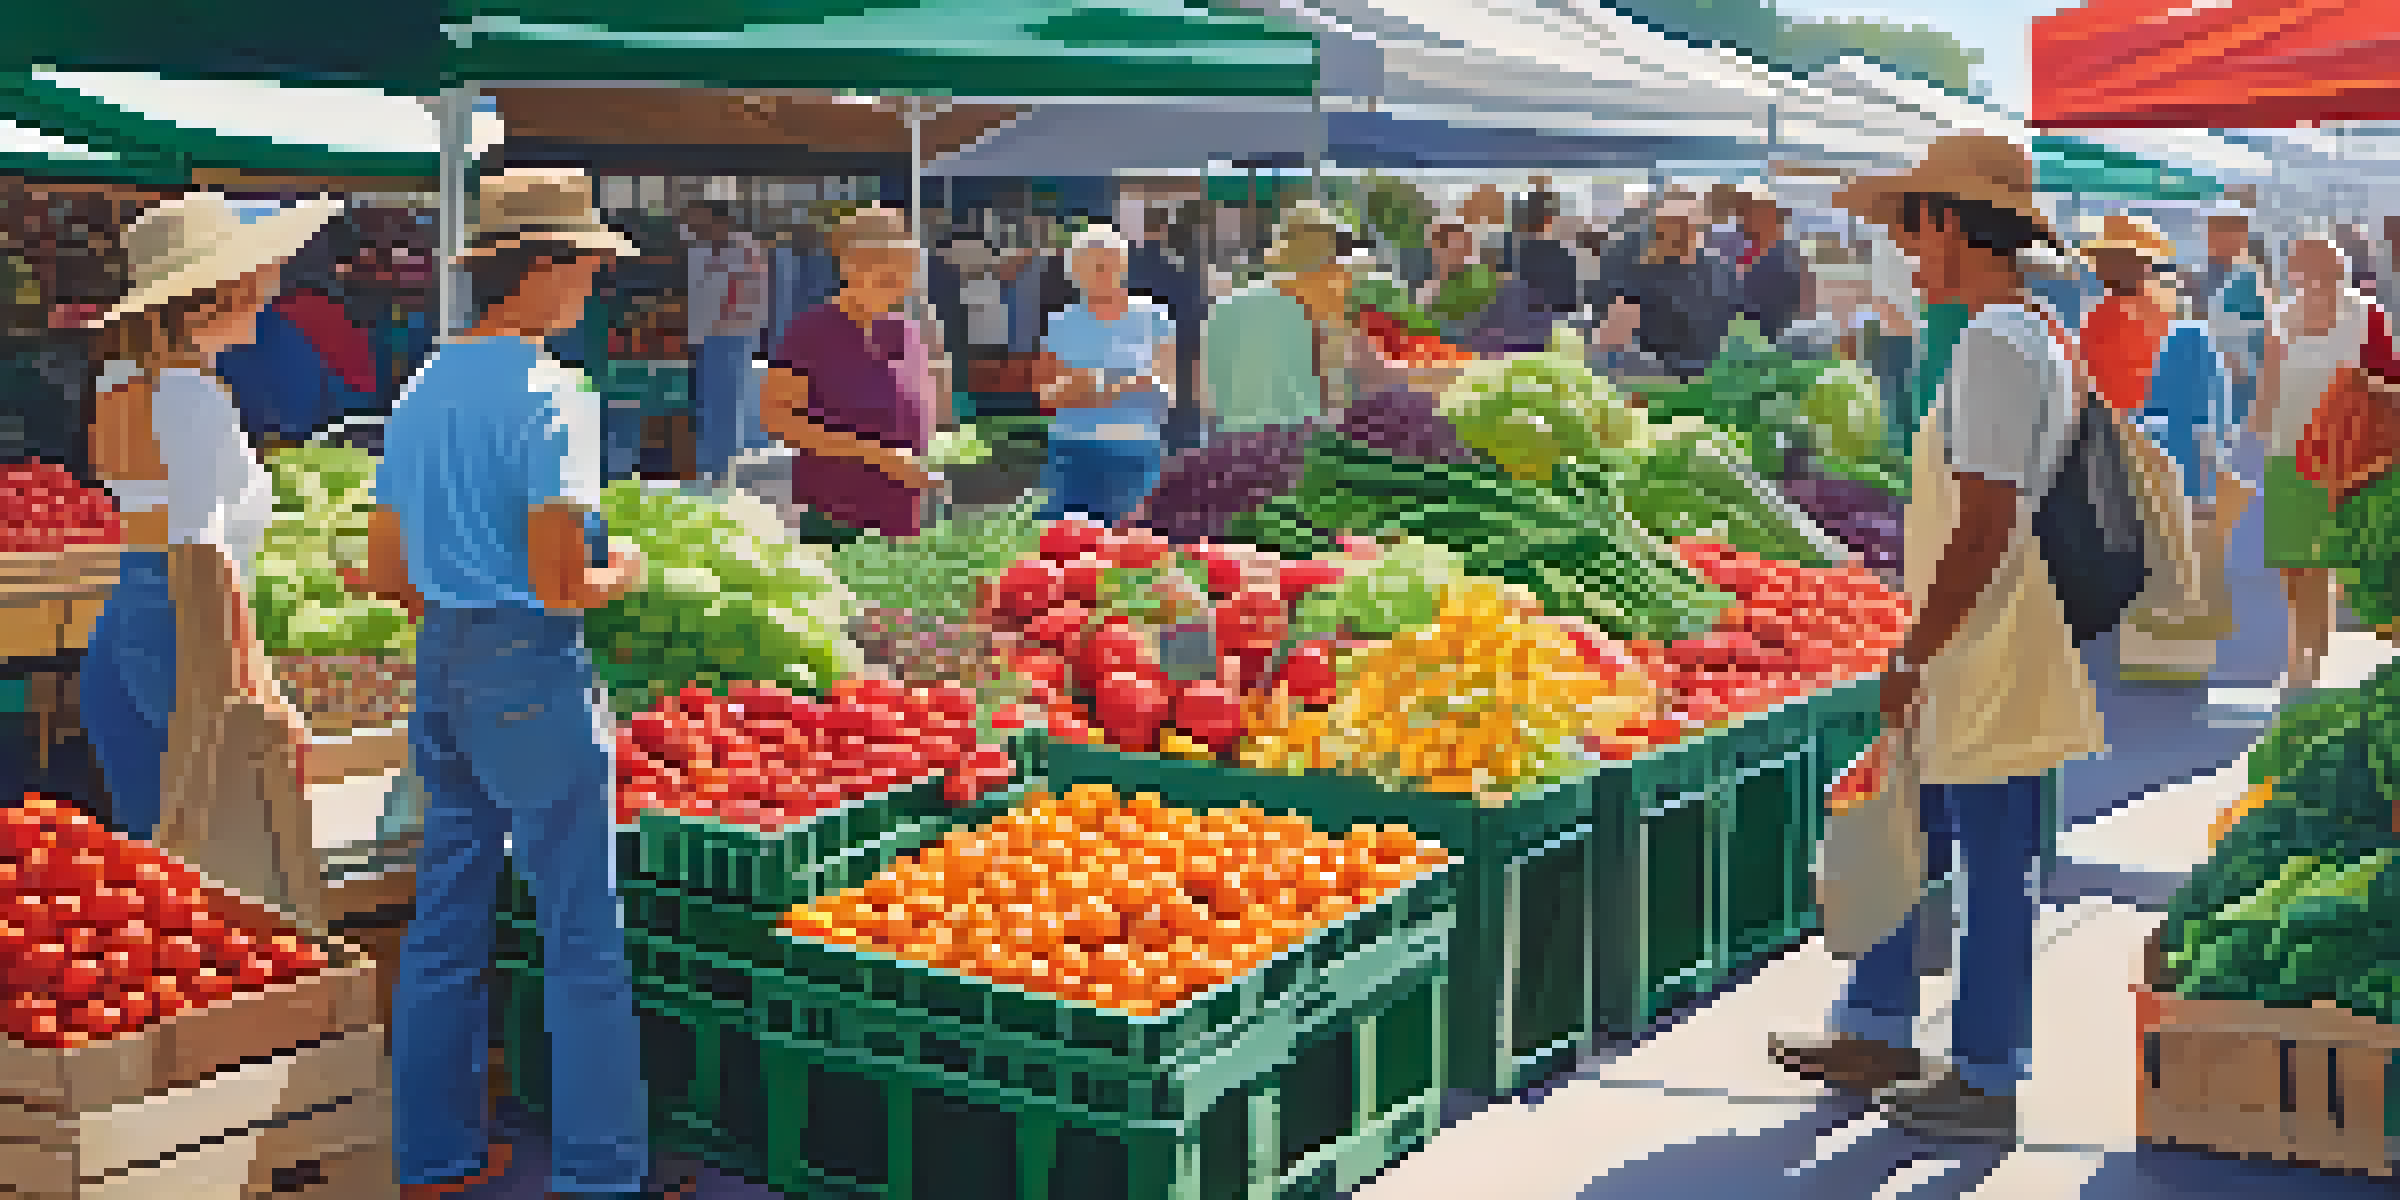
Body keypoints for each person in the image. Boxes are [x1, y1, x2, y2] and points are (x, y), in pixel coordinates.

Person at [342, 170, 690, 1200]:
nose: (592, 287)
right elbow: (558, 580)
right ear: (535, 271)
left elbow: (389, 568)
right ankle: (601, 1174)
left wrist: (462, 613)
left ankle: (434, 1156)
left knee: (445, 918)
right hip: (529, 664)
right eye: (583, 268)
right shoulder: (552, 395)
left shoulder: (422, 388)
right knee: (583, 932)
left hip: (443, 659)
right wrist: (621, 573)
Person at [1772, 134, 2106, 1143]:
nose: (1909, 250)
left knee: (1995, 860)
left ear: (1956, 226)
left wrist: (1916, 649)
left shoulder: (1996, 345)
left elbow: (1988, 518)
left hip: (1988, 642)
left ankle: (1987, 1073)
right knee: (1910, 825)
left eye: (1916, 228)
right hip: (1983, 634)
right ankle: (1877, 1025)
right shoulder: (2025, 334)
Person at [81, 193, 329, 841]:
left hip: (132, 618)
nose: (266, 292)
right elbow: (203, 554)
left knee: (156, 859)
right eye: (249, 280)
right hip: (183, 625)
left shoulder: (125, 377)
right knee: (227, 854)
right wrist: (261, 692)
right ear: (207, 297)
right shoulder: (189, 393)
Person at [761, 208, 937, 545]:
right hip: (836, 515)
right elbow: (778, 419)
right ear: (849, 268)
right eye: (887, 279)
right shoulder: (808, 332)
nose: (898, 291)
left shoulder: (909, 332)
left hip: (903, 515)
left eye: (904, 280)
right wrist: (875, 453)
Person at [2259, 236, 2380, 693]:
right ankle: (2301, 646)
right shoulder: (2282, 317)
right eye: (2302, 269)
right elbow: (2269, 380)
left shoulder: (2364, 316)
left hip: (2344, 453)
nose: (2311, 279)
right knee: (2294, 561)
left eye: (2321, 270)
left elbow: (2387, 380)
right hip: (2288, 450)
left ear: (2338, 271)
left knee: (2324, 560)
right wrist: (2257, 422)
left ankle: (2313, 652)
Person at [1035, 226, 1177, 526]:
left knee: (1134, 552)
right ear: (1075, 273)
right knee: (1068, 553)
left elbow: (1166, 394)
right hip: (1072, 453)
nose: (1101, 273)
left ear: (1123, 266)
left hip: (1135, 454)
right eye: (1090, 266)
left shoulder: (1154, 317)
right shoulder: (1060, 322)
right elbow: (1046, 396)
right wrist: (1125, 385)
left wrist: (1095, 387)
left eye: (1108, 264)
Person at [1201, 206, 1365, 435]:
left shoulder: (1227, 305)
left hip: (1234, 433)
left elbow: (1208, 381)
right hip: (1299, 437)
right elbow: (1331, 382)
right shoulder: (1321, 305)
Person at [1594, 196, 1736, 379]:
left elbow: (1719, 327)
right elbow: (1612, 333)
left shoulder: (1714, 271)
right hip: (1652, 370)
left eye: (1684, 226)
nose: (1678, 233)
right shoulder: (1638, 271)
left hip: (1693, 372)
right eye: (1669, 227)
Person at [682, 200, 770, 485]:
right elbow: (698, 294)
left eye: (699, 220)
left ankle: (726, 470)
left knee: (731, 401)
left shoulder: (744, 250)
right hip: (706, 336)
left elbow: (736, 293)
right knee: (709, 401)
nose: (694, 227)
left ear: (721, 221)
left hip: (735, 334)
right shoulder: (699, 250)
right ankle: (710, 466)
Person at [2077, 214, 2181, 414]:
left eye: (2105, 258)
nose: (2098, 267)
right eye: (2099, 258)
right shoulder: (2101, 312)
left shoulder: (2161, 309)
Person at [1731, 184, 1814, 343]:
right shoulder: (1740, 255)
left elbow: (1803, 299)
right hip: (1750, 336)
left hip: (1779, 335)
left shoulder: (1788, 256)